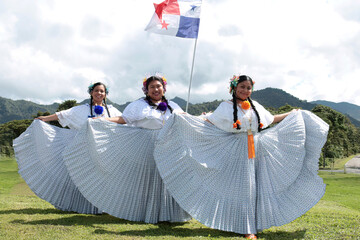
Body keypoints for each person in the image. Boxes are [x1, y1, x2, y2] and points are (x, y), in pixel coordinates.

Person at [153, 75, 329, 239]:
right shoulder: (225, 107)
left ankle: (250, 225)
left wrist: (292, 114)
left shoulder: (254, 105)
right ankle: (246, 228)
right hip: (236, 149)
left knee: (255, 187)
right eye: (242, 87)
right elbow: (210, 121)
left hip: (257, 148)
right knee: (241, 187)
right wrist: (187, 118)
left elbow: (270, 119)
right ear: (234, 88)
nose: (245, 90)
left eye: (249, 88)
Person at [62, 75, 191, 223]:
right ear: (146, 90)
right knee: (147, 179)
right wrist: (102, 120)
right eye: (152, 87)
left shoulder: (173, 105)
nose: (155, 89)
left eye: (158, 86)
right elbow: (123, 119)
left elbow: (185, 118)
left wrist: (205, 119)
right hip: (145, 145)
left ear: (164, 88)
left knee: (166, 179)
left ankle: (168, 215)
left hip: (167, 145)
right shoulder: (139, 105)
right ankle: (143, 213)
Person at [13, 82, 122, 214]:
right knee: (84, 177)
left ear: (105, 94)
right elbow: (63, 115)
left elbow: (125, 120)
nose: (99, 93)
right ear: (91, 93)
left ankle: (103, 206)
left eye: (102, 91)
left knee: (102, 178)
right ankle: (81, 206)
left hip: (104, 151)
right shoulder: (82, 109)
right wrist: (45, 119)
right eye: (96, 91)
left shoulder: (112, 110)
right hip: (84, 150)